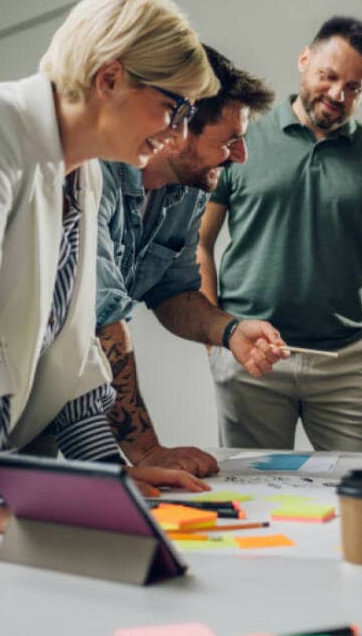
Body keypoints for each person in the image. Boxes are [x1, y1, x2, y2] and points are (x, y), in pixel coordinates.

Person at [0, 0, 219, 532]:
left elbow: (71, 353)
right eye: (174, 108)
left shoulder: (86, 171)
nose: (178, 134)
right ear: (110, 78)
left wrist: (104, 472)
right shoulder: (0, 129)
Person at [199, 16, 362, 452]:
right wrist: (216, 338)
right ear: (304, 60)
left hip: (347, 361)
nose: (338, 94)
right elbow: (198, 243)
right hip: (252, 355)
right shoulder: (242, 140)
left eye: (354, 87)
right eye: (329, 76)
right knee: (253, 496)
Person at [96, 45, 283, 478]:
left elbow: (173, 291)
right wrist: (146, 451)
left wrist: (229, 330)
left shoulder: (189, 188)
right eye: (230, 140)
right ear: (177, 126)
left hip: (67, 403)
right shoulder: (93, 175)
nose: (241, 156)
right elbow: (101, 316)